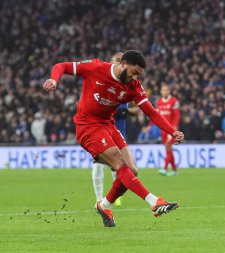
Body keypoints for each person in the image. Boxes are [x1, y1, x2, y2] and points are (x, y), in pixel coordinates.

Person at [42, 50, 185, 227]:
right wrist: (54, 79)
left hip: (108, 125)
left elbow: (151, 112)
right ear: (123, 64)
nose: (135, 78)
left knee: (132, 170)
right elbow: (61, 66)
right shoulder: (96, 68)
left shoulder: (133, 86)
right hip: (88, 126)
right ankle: (154, 202)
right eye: (134, 73)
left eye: (139, 75)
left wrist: (172, 131)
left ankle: (104, 205)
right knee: (120, 164)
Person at [91, 52, 138, 207]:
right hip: (101, 129)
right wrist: (128, 111)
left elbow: (132, 104)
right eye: (117, 60)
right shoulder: (104, 81)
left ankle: (114, 196)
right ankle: (99, 198)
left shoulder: (126, 84)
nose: (120, 63)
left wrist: (134, 110)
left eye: (122, 60)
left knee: (118, 166)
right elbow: (104, 106)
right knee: (97, 163)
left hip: (119, 131)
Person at [156, 84, 180, 176]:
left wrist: (175, 126)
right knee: (168, 149)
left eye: (166, 90)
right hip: (163, 129)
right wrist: (150, 125)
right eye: (163, 90)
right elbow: (157, 115)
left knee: (168, 146)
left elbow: (177, 115)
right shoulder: (159, 102)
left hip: (171, 129)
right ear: (161, 91)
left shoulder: (174, 101)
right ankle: (174, 170)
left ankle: (165, 168)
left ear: (169, 91)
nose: (164, 92)